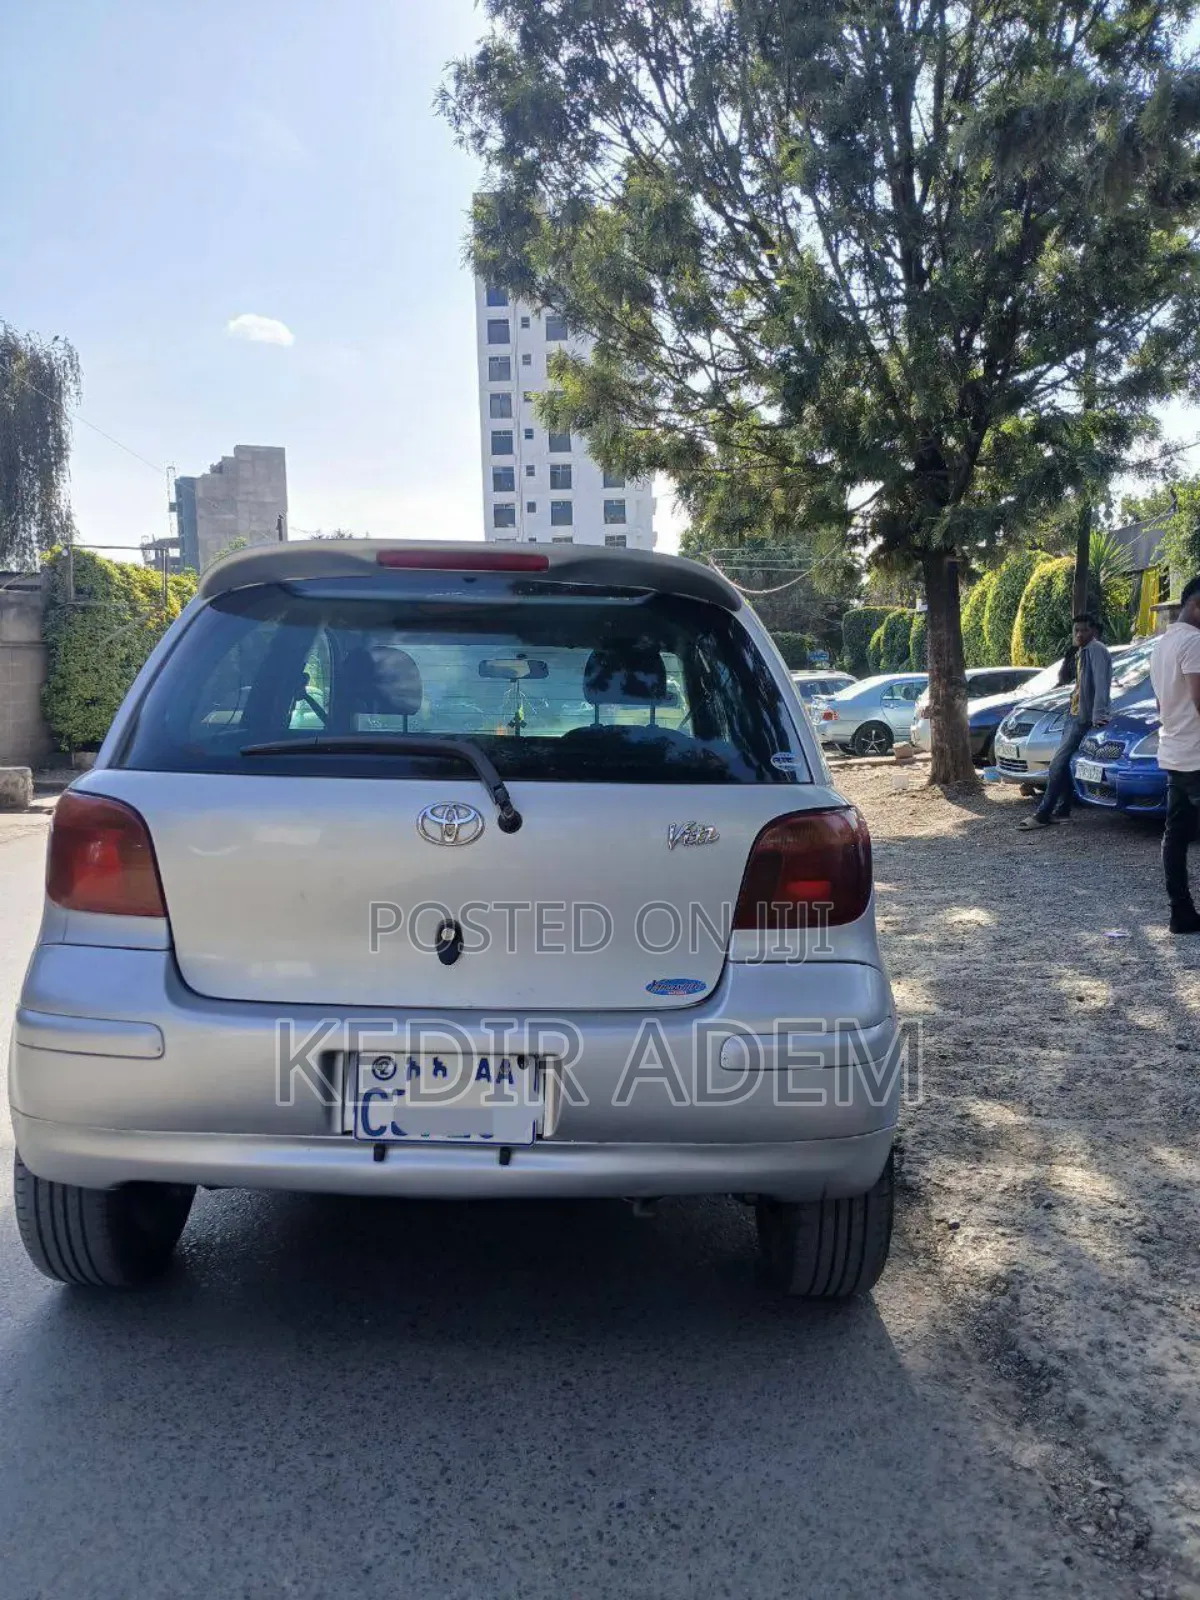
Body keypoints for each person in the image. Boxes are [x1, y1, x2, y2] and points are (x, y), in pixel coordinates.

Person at [1018, 613, 1111, 831]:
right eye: (1076, 630)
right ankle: (1062, 811)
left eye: (1084, 630)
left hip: (1084, 718)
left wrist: (1098, 716)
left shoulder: (1097, 650)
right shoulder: (1081, 652)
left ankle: (1043, 813)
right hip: (1074, 714)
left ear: (1093, 631)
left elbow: (1101, 685)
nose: (1079, 634)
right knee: (1064, 764)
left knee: (1057, 764)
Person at [1150, 574, 1200, 935]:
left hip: (1175, 750)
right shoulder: (1195, 642)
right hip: (1197, 753)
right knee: (1178, 833)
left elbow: (1161, 702)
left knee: (1176, 834)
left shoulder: (1161, 645)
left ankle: (1180, 912)